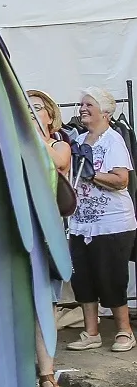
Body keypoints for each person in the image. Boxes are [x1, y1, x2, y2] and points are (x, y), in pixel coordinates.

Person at [66, 87, 136, 354]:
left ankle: (124, 331)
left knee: (111, 278)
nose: (82, 109)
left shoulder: (113, 140)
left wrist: (91, 174)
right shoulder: (80, 139)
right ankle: (91, 333)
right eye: (81, 104)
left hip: (112, 223)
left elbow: (121, 180)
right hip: (82, 223)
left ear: (105, 113)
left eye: (89, 105)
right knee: (82, 279)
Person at [28, 89, 73, 387]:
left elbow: (57, 159)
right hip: (17, 237)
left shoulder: (58, 144)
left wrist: (36, 135)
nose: (30, 111)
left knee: (46, 306)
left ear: (50, 116)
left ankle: (47, 375)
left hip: (46, 238)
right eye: (24, 107)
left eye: (36, 108)